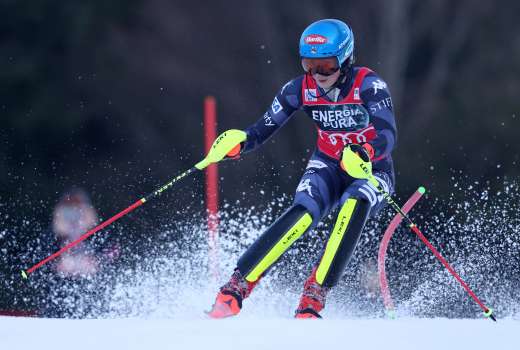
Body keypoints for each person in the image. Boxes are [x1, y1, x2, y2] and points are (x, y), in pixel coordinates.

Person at [207, 18, 397, 319]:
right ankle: (237, 286)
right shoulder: (299, 89)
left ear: (346, 60)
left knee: (354, 204)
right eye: (310, 65)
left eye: (327, 66)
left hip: (370, 168)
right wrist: (241, 143)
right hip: (327, 164)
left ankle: (315, 293)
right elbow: (264, 127)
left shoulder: (369, 85)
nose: (318, 74)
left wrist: (366, 151)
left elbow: (388, 134)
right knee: (303, 213)